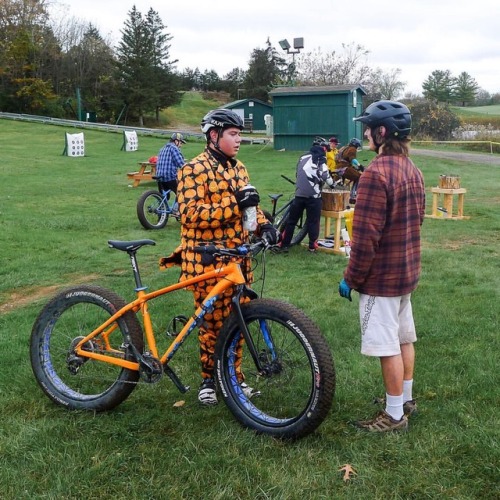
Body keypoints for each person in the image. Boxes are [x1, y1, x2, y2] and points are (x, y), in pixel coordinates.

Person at [159, 109, 279, 406]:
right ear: (214, 136)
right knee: (212, 324)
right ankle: (209, 380)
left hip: (239, 259)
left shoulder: (240, 168)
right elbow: (189, 214)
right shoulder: (193, 169)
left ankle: (235, 378)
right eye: (233, 134)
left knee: (239, 321)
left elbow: (250, 207)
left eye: (239, 134)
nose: (239, 140)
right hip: (206, 261)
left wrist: (264, 224)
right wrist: (233, 204)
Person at [338, 100, 426, 432]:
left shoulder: (376, 173)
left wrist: (351, 277)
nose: (364, 134)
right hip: (406, 274)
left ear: (382, 132)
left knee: (387, 344)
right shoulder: (412, 168)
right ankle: (404, 399)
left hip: (382, 280)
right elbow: (417, 220)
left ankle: (393, 416)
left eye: (368, 128)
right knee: (404, 338)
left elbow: (365, 238)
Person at [279, 136, 336, 253]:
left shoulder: (302, 157)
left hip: (299, 195)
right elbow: (325, 176)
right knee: (313, 221)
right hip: (313, 197)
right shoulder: (320, 158)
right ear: (323, 148)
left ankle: (284, 245)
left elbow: (297, 172)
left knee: (291, 221)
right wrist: (333, 184)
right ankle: (312, 246)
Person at [155, 132, 186, 207]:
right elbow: (181, 164)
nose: (181, 145)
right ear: (176, 141)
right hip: (170, 177)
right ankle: (176, 209)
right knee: (182, 192)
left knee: (165, 197)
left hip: (159, 176)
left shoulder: (162, 148)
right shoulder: (174, 148)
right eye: (181, 143)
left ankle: (161, 213)